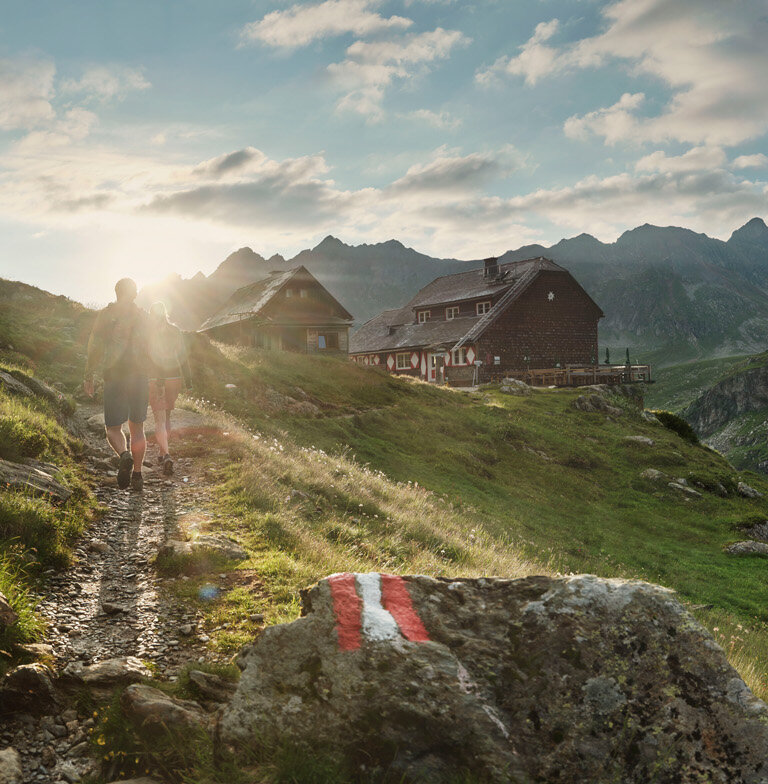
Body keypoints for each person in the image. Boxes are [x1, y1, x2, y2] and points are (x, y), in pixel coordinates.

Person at [84, 278, 149, 491]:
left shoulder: (106, 314)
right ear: (135, 294)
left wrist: (89, 375)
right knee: (137, 427)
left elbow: (95, 345)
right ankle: (138, 476)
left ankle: (124, 455)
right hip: (139, 375)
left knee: (112, 428)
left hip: (115, 374)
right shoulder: (142, 316)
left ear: (116, 292)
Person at [147, 302, 191, 475]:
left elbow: (151, 357)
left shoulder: (150, 333)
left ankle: (166, 454)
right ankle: (161, 451)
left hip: (156, 379)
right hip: (175, 378)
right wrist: (189, 381)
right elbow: (183, 356)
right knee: (167, 416)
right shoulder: (175, 331)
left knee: (159, 419)